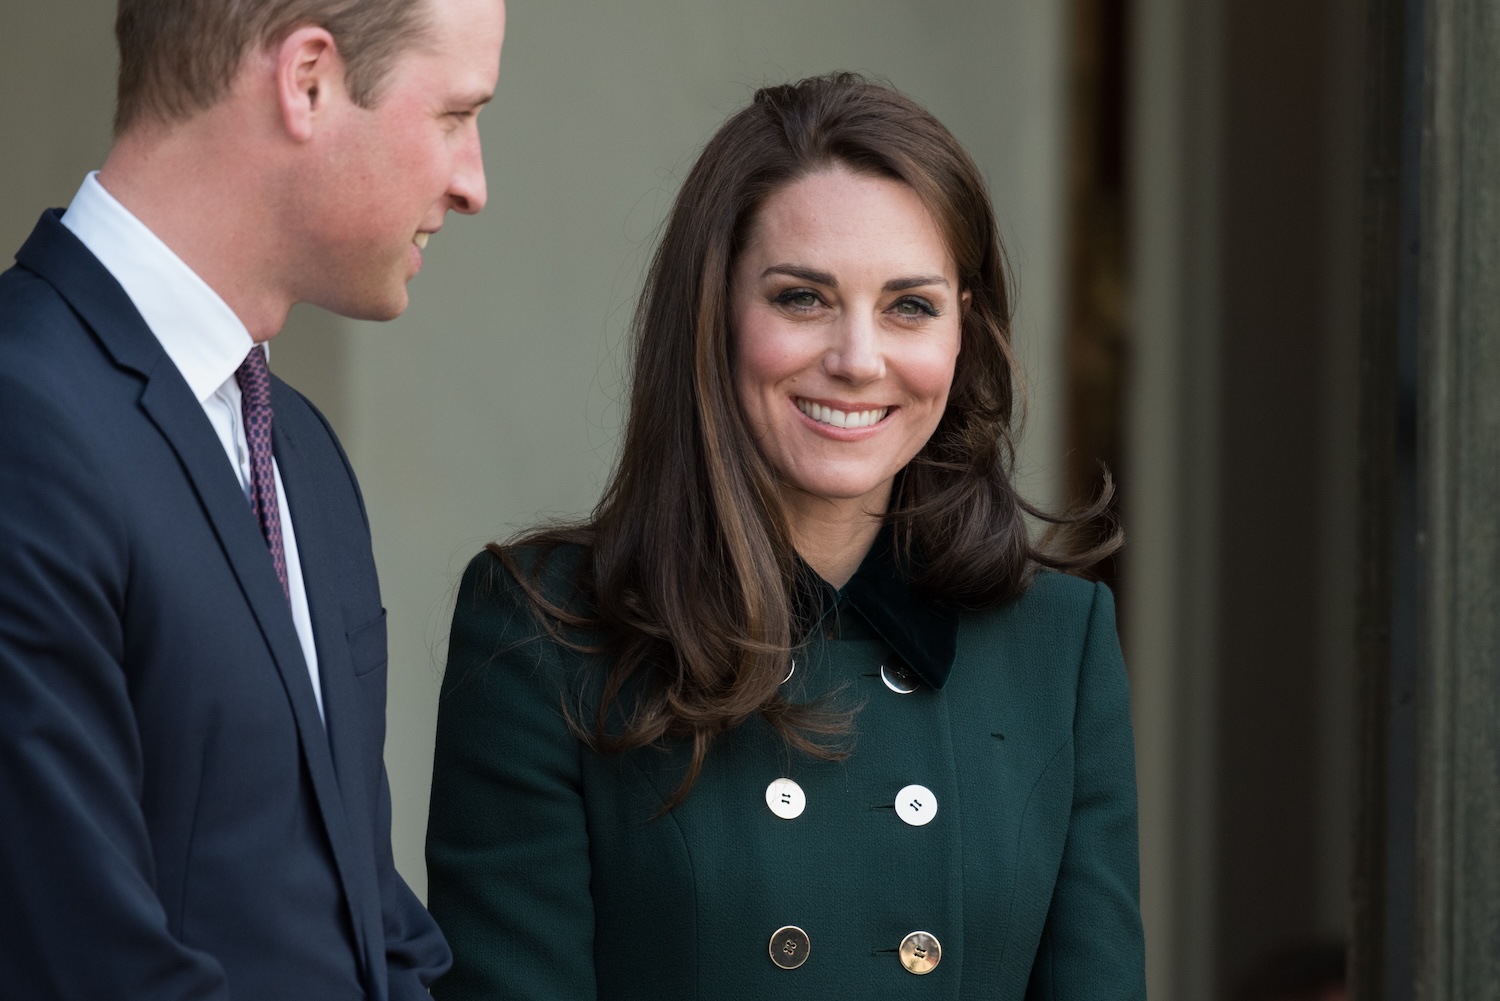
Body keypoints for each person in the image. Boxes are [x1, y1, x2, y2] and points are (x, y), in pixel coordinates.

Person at [426, 73, 1144, 999]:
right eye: (802, 298)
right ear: (715, 312)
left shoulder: (1059, 639)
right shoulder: (543, 632)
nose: (856, 358)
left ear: (965, 330)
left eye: (909, 306)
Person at [0, 0, 505, 997]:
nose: (471, 181)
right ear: (308, 80)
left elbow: (366, 921)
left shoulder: (300, 450)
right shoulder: (24, 420)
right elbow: (83, 961)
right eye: (454, 114)